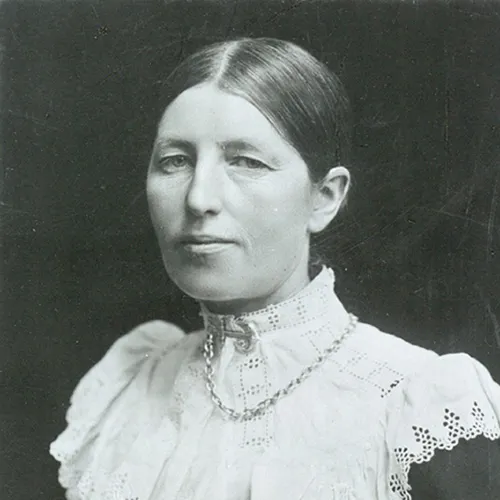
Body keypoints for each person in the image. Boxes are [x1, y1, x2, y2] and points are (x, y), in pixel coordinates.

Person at [50, 37, 500, 500]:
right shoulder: (131, 385)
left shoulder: (416, 405)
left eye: (246, 161)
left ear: (324, 197)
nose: (199, 198)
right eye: (175, 161)